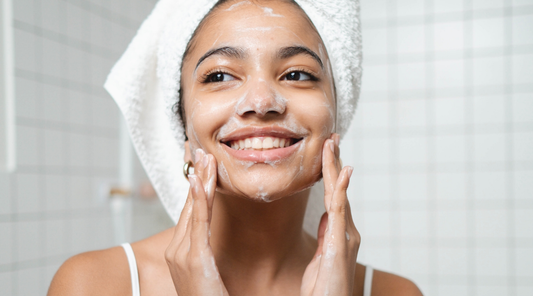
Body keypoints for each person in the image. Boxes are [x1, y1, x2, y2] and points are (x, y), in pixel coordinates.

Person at [48, 0, 423, 295]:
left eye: (296, 74)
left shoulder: (395, 293)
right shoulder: (93, 286)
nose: (261, 101)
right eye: (220, 75)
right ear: (183, 130)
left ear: (336, 119)